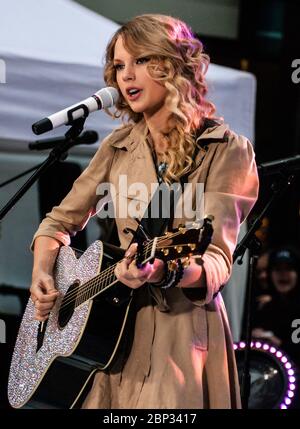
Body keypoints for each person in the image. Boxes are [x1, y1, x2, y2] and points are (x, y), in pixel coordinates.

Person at [29, 14, 259, 409]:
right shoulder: (118, 145)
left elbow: (217, 261)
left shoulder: (227, 149)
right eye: (119, 66)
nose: (126, 76)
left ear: (170, 65)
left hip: (180, 336)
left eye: (138, 61)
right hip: (110, 342)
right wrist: (42, 272)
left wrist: (166, 269)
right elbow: (58, 221)